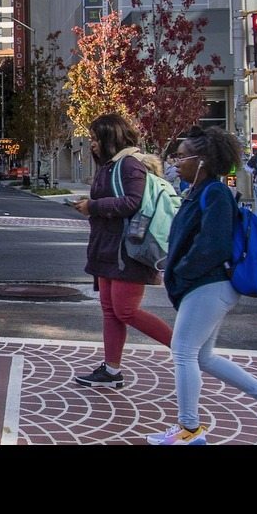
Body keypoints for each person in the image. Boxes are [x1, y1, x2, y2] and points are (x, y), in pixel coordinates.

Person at [148, 125, 257, 445]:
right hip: (205, 286)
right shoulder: (198, 191)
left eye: (181, 156)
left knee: (183, 352)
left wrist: (181, 272)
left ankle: (189, 430)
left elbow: (213, 246)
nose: (176, 162)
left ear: (202, 159)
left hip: (209, 285)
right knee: (203, 357)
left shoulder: (215, 192)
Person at [69, 113, 174, 390]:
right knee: (110, 310)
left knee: (125, 310)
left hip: (127, 249)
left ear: (109, 138)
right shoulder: (110, 165)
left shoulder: (129, 164)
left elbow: (132, 202)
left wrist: (93, 206)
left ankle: (182, 346)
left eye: (95, 139)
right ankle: (111, 370)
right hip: (107, 247)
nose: (91, 144)